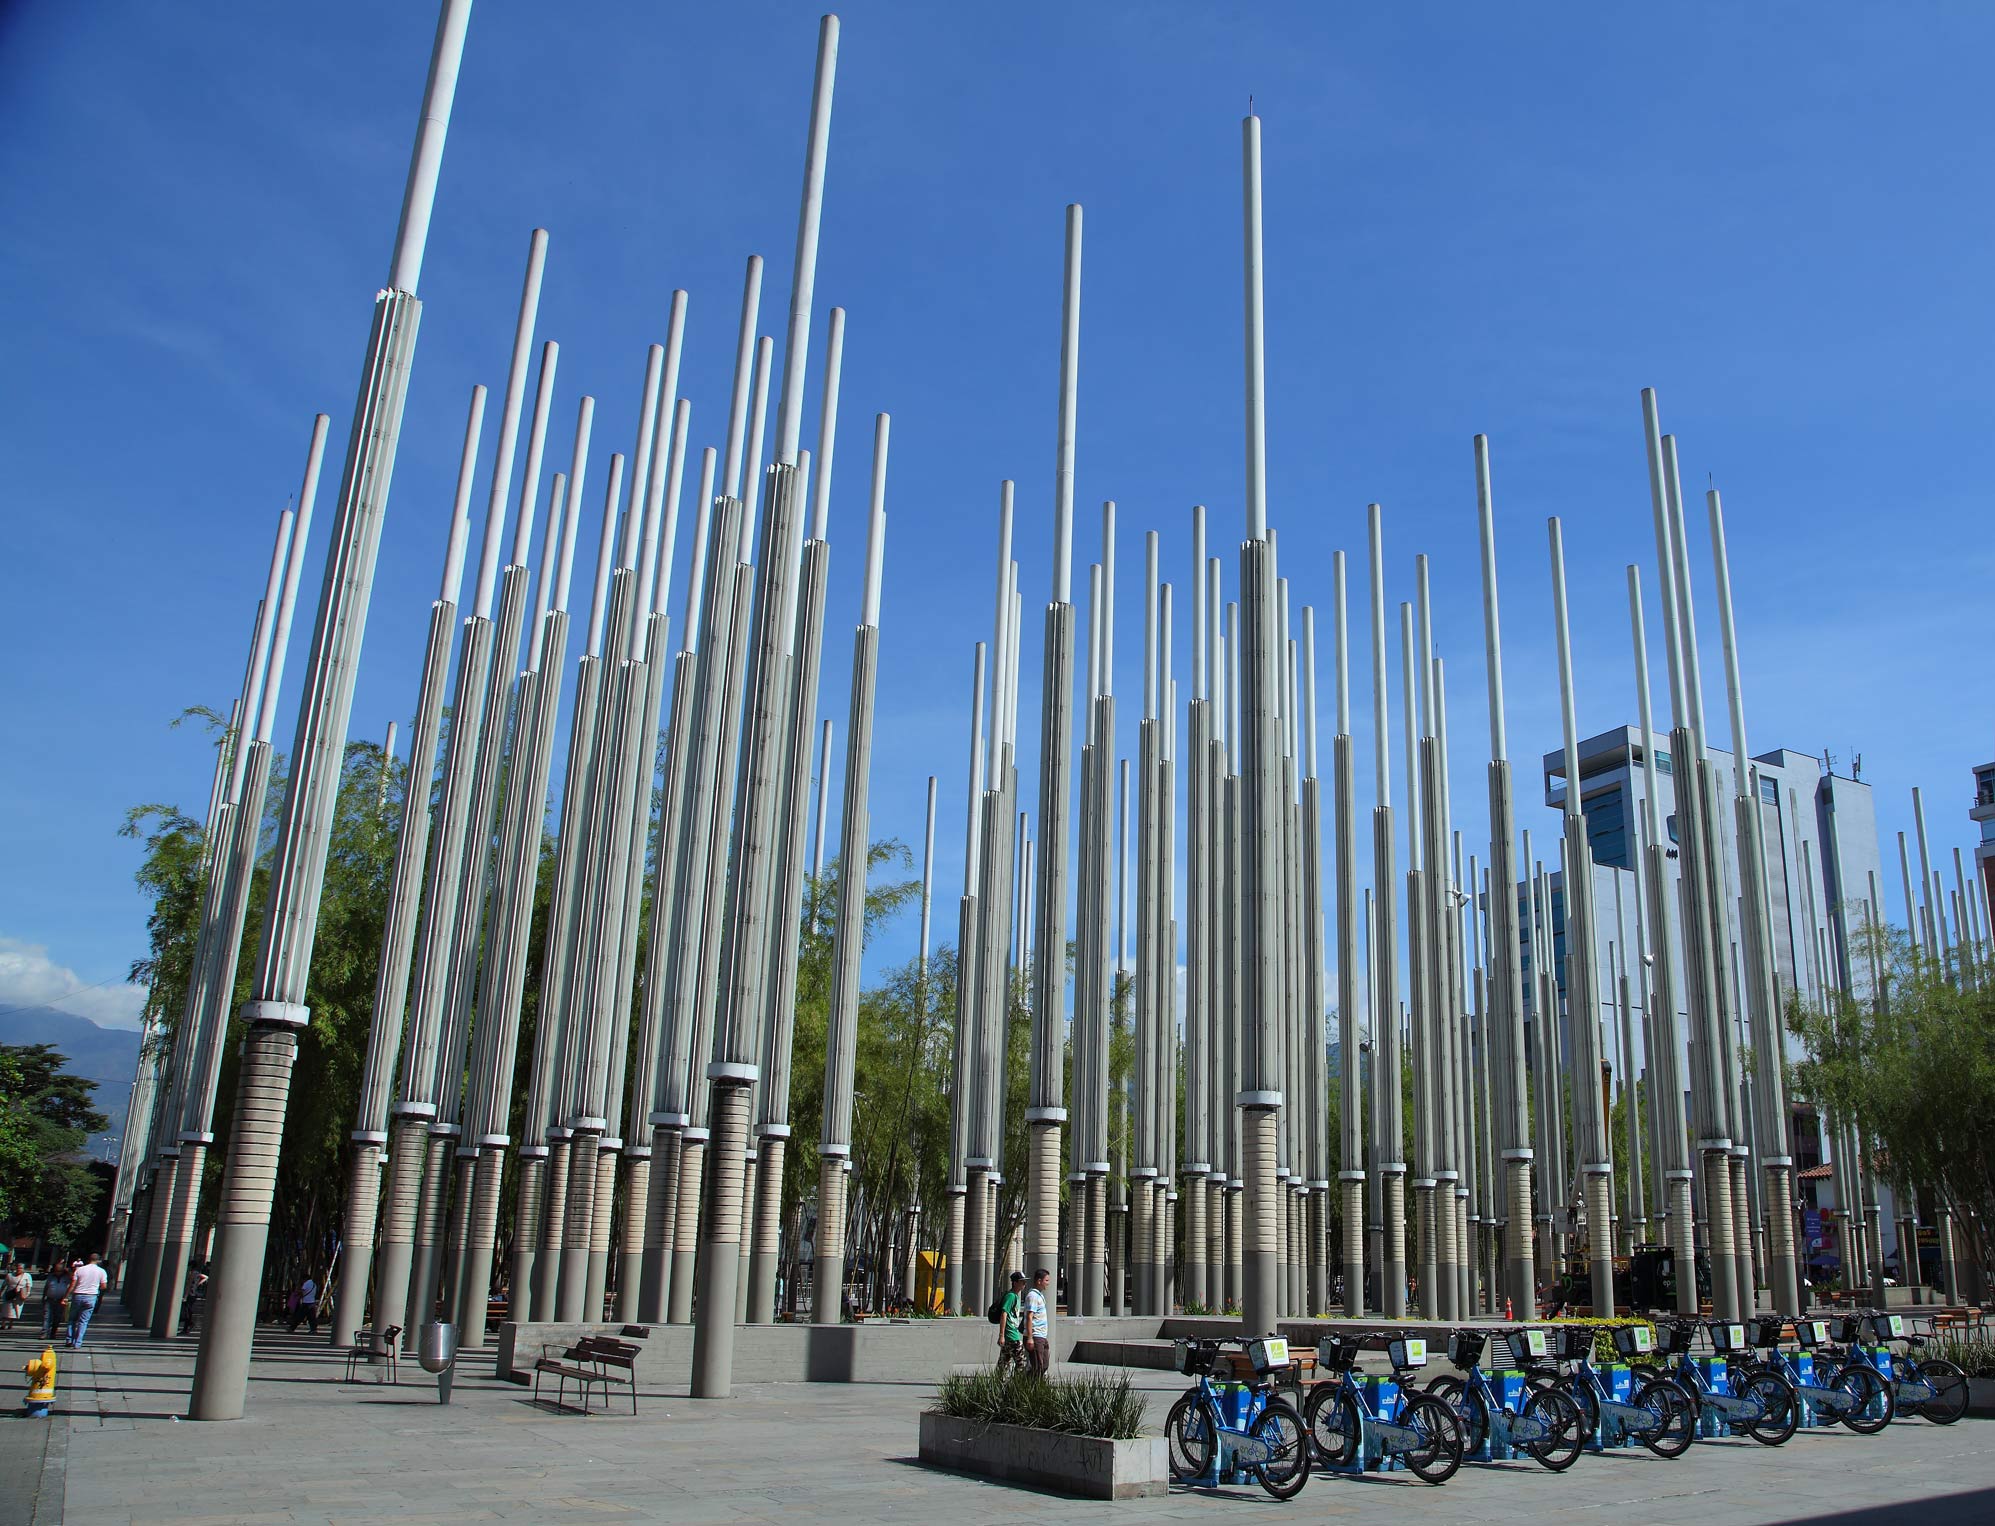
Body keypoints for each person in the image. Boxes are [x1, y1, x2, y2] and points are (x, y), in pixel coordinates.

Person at [67, 1250, 109, 1348]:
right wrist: (96, 1289)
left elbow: (73, 1284)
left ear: (89, 1259)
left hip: (78, 1295)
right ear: (98, 1260)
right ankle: (78, 1343)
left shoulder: (80, 1270)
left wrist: (66, 1296)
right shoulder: (101, 1271)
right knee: (83, 1321)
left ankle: (69, 1339)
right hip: (91, 1296)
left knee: (72, 1319)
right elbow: (104, 1286)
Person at [1023, 1268, 1052, 1376]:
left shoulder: (1039, 1295)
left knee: (1044, 1364)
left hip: (1041, 1335)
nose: (1048, 1283)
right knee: (1037, 1366)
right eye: (1046, 1280)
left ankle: (1030, 1380)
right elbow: (1029, 1316)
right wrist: (1030, 1338)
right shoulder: (1033, 1296)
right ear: (1039, 1281)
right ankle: (1030, 1383)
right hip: (1035, 1335)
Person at [996, 1271, 1026, 1371]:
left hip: (1010, 1335)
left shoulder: (1015, 1296)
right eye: (1022, 1281)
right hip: (1012, 1335)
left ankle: (1001, 1379)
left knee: (1003, 1363)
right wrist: (1001, 1335)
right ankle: (1018, 1380)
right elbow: (1004, 1314)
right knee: (1021, 1363)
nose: (1024, 1284)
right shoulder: (1011, 1296)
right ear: (1015, 1283)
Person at [41, 1260, 72, 1341]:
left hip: (60, 1300)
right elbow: (46, 1286)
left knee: (57, 1317)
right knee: (47, 1317)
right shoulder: (51, 1277)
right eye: (56, 1270)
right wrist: (43, 1296)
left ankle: (53, 1333)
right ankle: (44, 1333)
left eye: (59, 1271)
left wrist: (68, 1272)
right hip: (50, 1299)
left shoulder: (66, 1277)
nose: (57, 1272)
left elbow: (73, 1281)